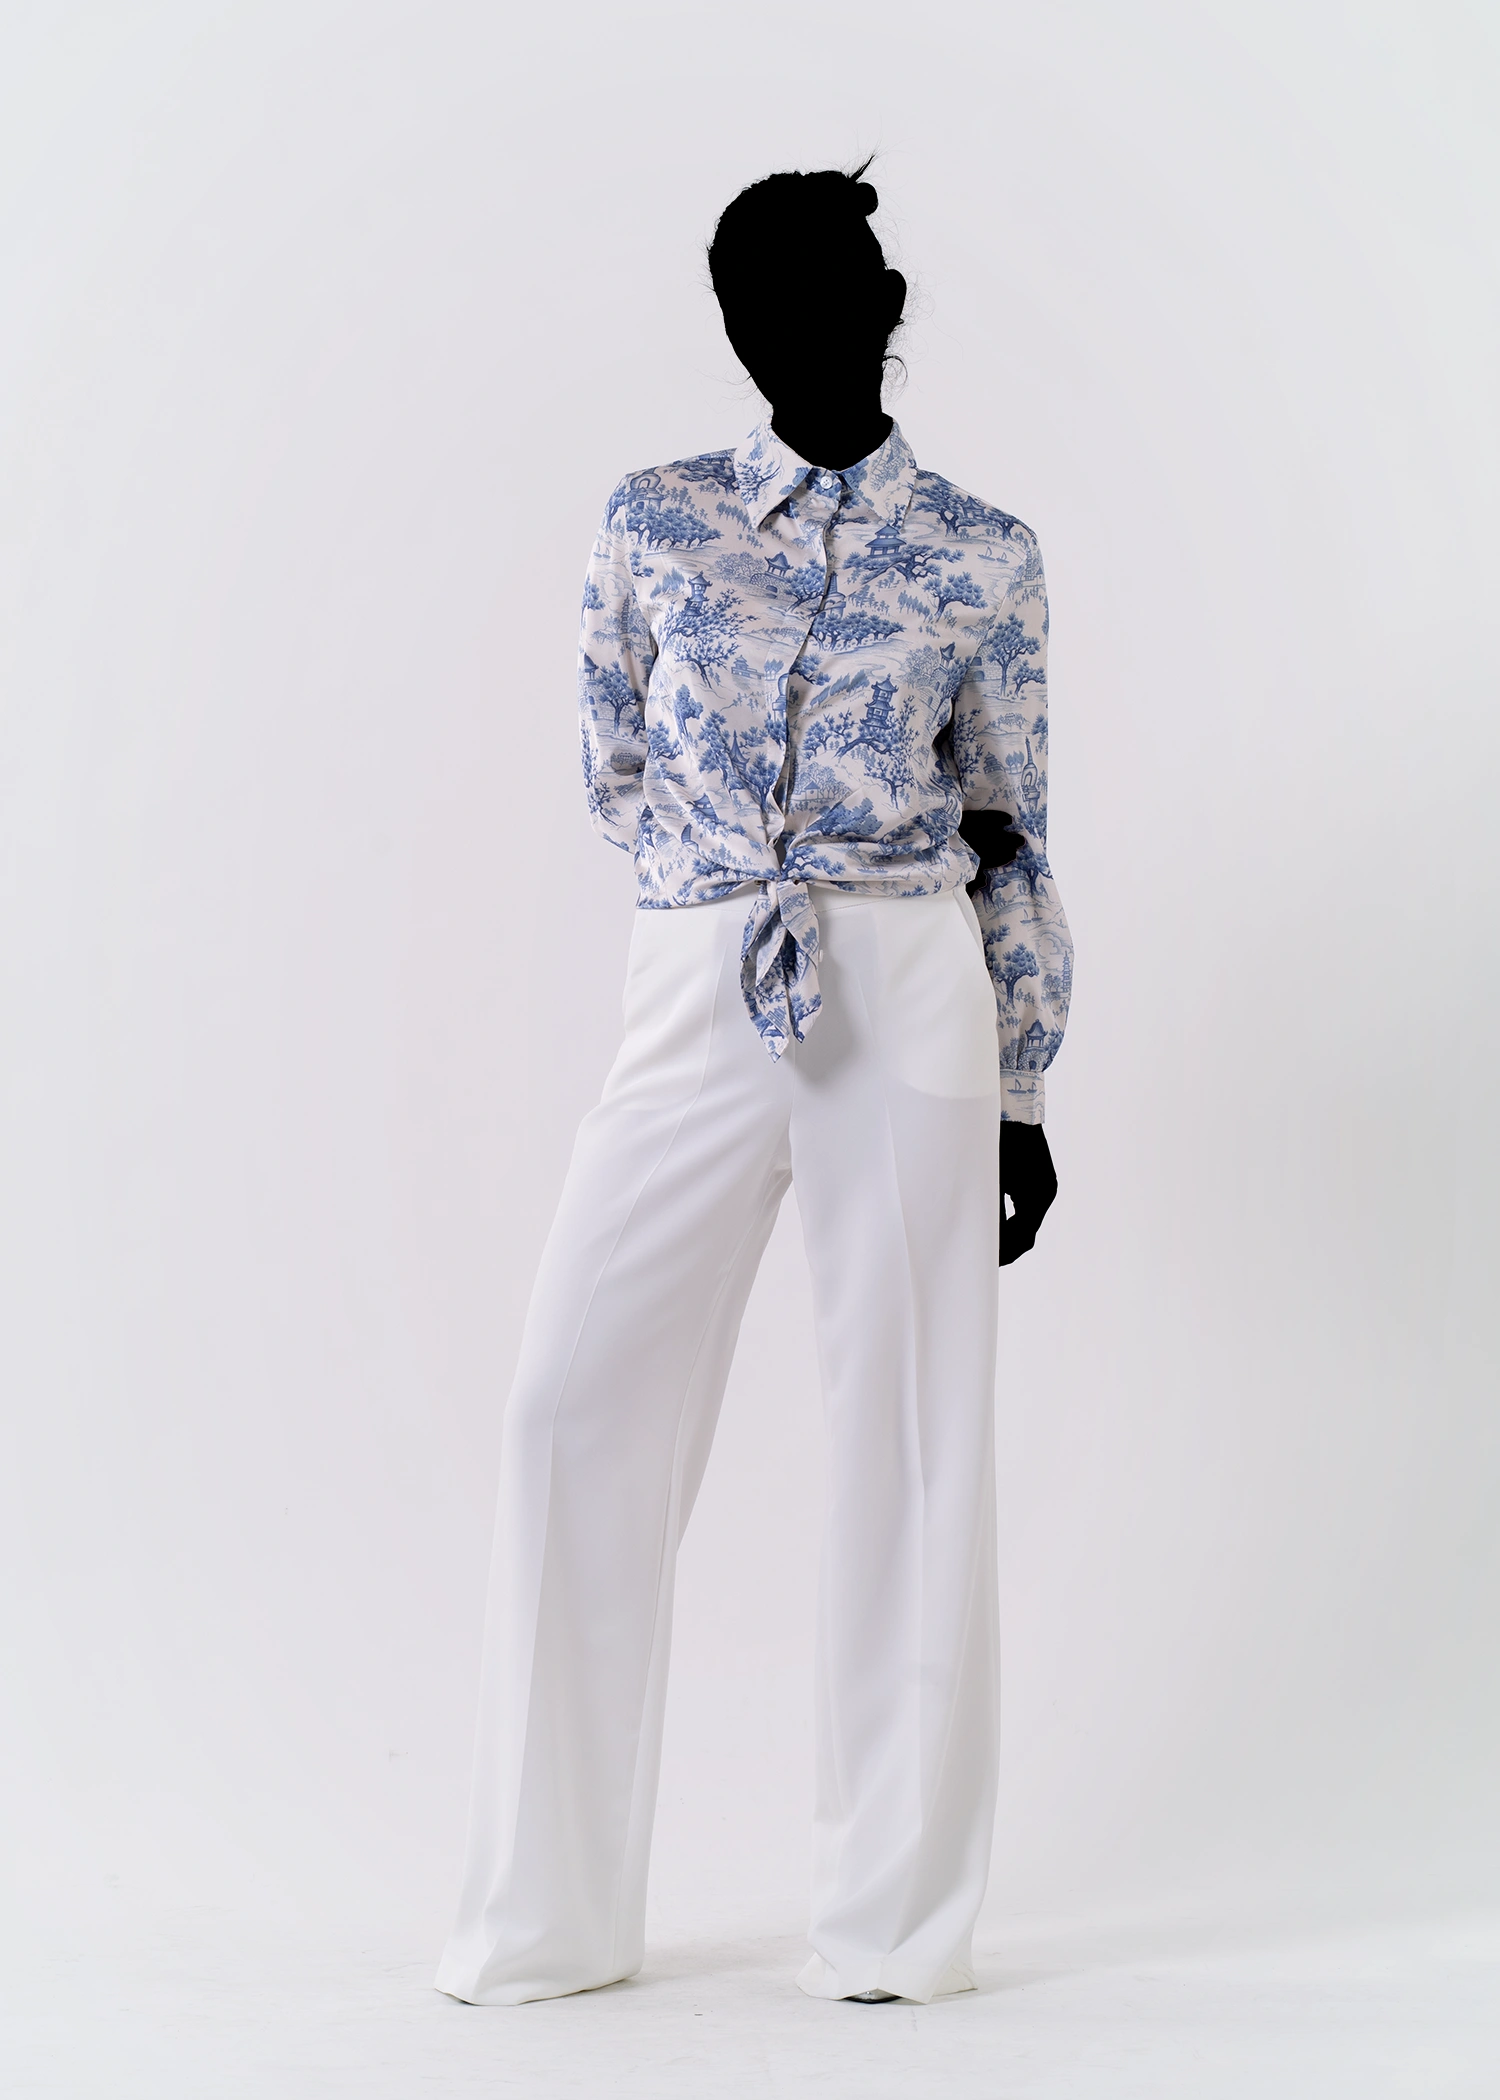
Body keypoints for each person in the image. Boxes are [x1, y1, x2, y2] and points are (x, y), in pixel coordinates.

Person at [434, 164, 1072, 2009]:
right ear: (732, 325)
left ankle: (893, 1928)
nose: (793, 321)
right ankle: (543, 1916)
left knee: (913, 1443)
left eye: (829, 283)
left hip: (909, 988)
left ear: (885, 303)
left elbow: (1012, 824)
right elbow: (614, 761)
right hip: (700, 973)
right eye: (755, 297)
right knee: (571, 1406)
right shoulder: (655, 519)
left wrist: (1023, 1092)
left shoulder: (984, 552)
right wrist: (724, 897)